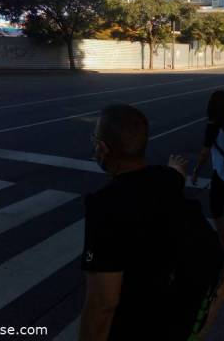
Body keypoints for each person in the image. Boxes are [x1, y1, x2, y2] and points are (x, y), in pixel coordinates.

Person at [79, 104, 188, 341]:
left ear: (102, 148)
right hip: (167, 318)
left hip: (131, 327)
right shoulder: (167, 181)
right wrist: (176, 170)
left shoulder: (104, 205)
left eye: (95, 138)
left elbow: (103, 304)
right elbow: (177, 174)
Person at [192, 90, 224, 259]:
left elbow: (204, 154)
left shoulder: (212, 126)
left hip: (223, 173)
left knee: (216, 210)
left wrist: (195, 172)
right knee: (218, 206)